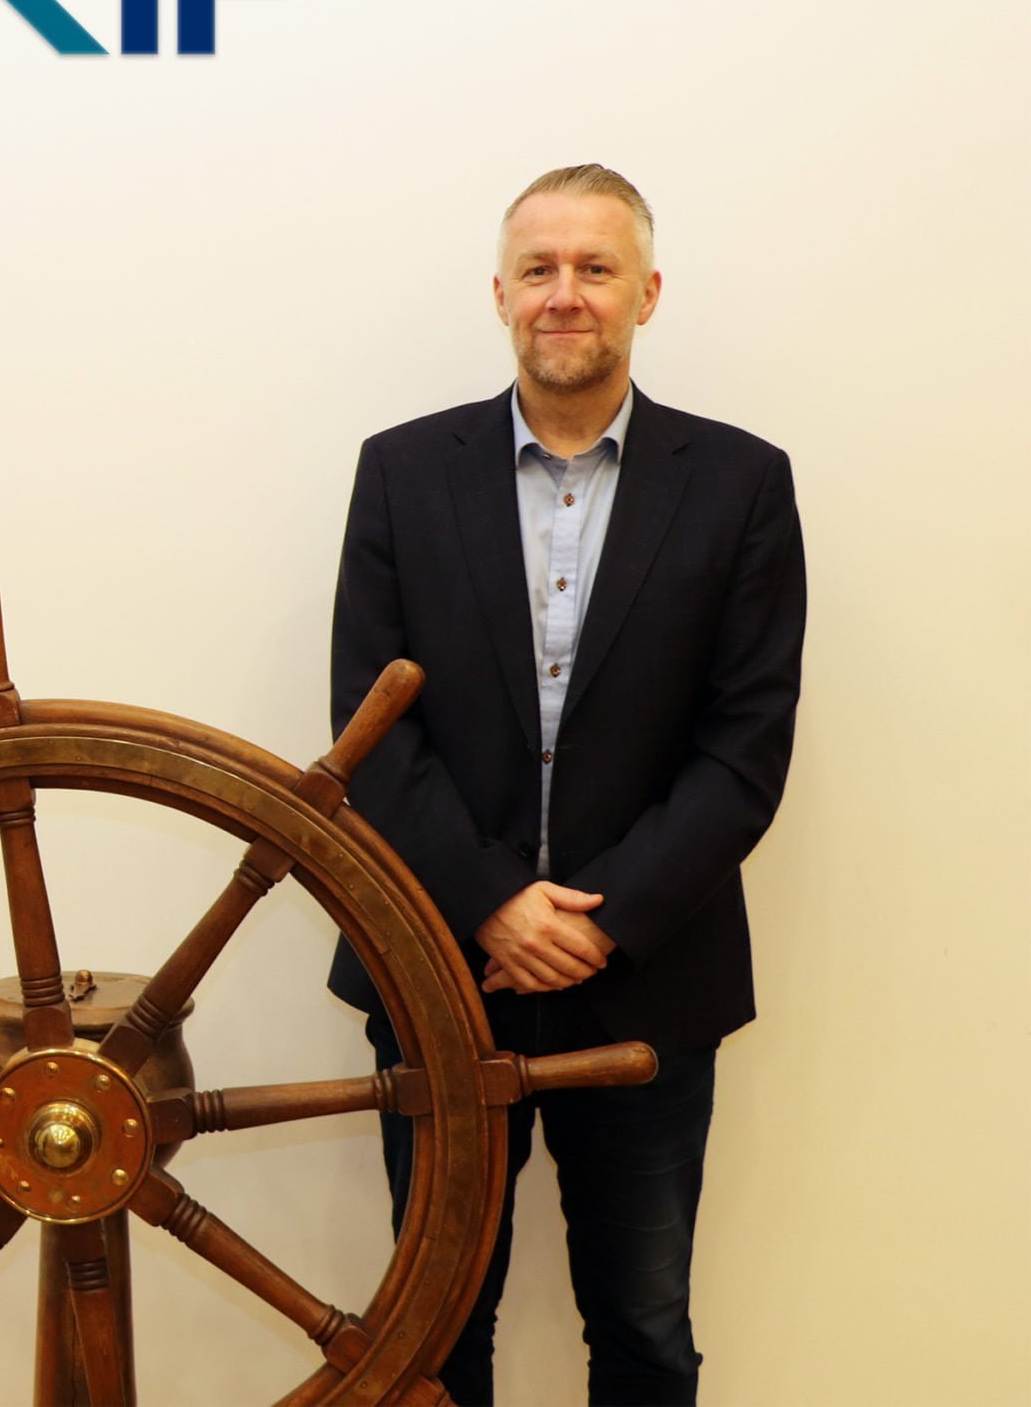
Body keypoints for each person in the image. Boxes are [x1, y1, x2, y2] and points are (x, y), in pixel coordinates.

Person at [327, 165, 804, 1404]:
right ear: (499, 293)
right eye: (537, 268)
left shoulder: (741, 482)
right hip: (438, 964)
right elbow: (369, 729)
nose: (564, 294)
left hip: (646, 975)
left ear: (647, 291)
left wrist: (599, 921)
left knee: (643, 1331)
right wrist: (493, 901)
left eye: (595, 267)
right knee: (434, 1332)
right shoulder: (400, 469)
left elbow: (745, 743)